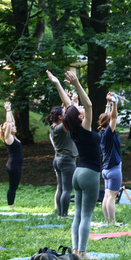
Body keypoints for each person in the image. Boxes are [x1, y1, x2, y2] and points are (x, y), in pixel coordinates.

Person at [61, 70, 101, 260]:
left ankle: (76, 250)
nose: (81, 109)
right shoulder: (85, 128)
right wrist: (77, 83)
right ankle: (83, 252)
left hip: (77, 173)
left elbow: (70, 108)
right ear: (79, 117)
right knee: (86, 215)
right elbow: (89, 104)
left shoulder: (74, 129)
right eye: (79, 111)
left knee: (77, 214)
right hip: (89, 173)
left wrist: (58, 85)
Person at [46, 70, 79, 218]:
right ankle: (63, 215)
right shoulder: (62, 127)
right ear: (60, 117)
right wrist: (58, 84)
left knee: (60, 188)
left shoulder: (53, 127)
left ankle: (60, 214)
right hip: (66, 160)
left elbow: (64, 109)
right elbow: (68, 108)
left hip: (58, 160)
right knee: (66, 190)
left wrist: (66, 99)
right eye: (64, 114)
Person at [98, 92, 122, 225]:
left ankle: (108, 221)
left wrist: (107, 103)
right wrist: (114, 103)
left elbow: (107, 117)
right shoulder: (109, 133)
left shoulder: (102, 132)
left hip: (106, 169)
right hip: (113, 169)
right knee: (111, 197)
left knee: (107, 196)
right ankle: (112, 222)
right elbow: (113, 117)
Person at [0, 102, 23, 209]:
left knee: (15, 186)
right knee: (13, 186)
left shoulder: (14, 136)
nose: (14, 127)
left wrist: (10, 111)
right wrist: (8, 110)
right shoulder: (8, 138)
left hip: (15, 165)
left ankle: (11, 204)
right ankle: (11, 206)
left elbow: (11, 122)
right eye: (12, 127)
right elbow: (9, 123)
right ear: (7, 130)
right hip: (13, 165)